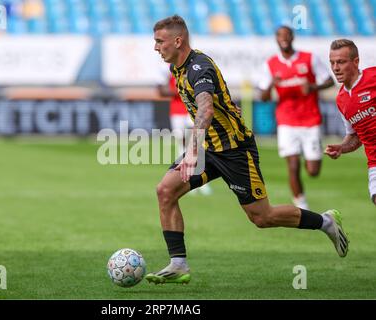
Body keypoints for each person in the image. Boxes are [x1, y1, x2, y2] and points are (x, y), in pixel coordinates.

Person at [145, 15, 349, 285]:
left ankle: (325, 222)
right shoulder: (179, 68)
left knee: (262, 217)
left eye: (160, 41)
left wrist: (192, 149)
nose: (156, 47)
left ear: (178, 40)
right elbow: (217, 102)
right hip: (210, 148)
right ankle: (178, 264)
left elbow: (205, 108)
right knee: (165, 190)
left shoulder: (198, 68)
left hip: (234, 151)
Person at [258, 26, 335, 210]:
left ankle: (310, 158)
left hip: (310, 119)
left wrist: (313, 87)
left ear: (292, 37)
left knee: (313, 171)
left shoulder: (309, 58)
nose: (283, 38)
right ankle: (302, 207)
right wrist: (271, 86)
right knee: (292, 166)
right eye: (280, 35)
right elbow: (263, 97)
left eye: (287, 35)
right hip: (287, 121)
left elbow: (330, 80)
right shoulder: (270, 65)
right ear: (276, 39)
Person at [325, 39, 376, 205]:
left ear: (356, 62)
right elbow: (355, 137)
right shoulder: (341, 99)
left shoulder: (373, 77)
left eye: (341, 62)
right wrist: (341, 147)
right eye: (332, 63)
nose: (335, 68)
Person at [158, 72, 213, 195]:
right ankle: (184, 180)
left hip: (192, 110)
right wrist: (182, 90)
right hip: (176, 111)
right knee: (181, 144)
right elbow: (161, 91)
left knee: (196, 143)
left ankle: (203, 181)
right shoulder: (167, 68)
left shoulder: (191, 66)